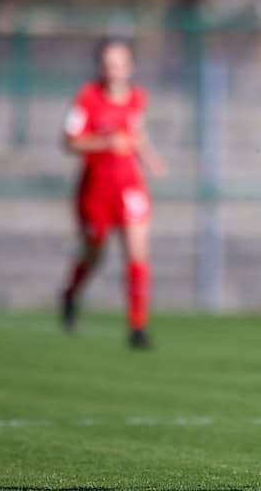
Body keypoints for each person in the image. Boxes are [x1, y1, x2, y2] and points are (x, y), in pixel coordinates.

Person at [60, 38, 166, 349]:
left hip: (130, 185)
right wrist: (105, 143)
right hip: (95, 189)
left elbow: (136, 132)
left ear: (129, 67)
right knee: (95, 254)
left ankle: (137, 327)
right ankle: (70, 294)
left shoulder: (137, 98)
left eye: (119, 64)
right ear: (100, 67)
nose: (114, 71)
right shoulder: (87, 98)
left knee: (137, 251)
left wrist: (151, 158)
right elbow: (68, 141)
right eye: (108, 65)